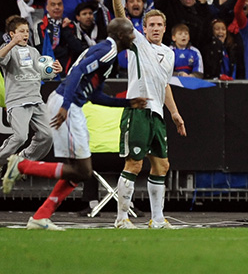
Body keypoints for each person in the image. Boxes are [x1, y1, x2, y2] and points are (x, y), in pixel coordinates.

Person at [2, 18, 145, 231]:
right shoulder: (108, 51)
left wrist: (126, 103)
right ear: (122, 36)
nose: (135, 37)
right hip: (67, 105)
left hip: (68, 104)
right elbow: (77, 73)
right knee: (82, 170)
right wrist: (67, 106)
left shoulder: (107, 52)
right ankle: (21, 165)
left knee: (78, 171)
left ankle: (41, 216)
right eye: (132, 33)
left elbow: (94, 95)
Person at [105, 0, 187, 229]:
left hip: (157, 114)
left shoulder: (169, 53)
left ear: (165, 28)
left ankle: (158, 219)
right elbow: (121, 20)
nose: (154, 28)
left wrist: (174, 113)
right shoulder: (137, 43)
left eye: (158, 25)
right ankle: (121, 219)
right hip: (138, 111)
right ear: (143, 28)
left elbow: (164, 84)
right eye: (150, 24)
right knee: (134, 163)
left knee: (162, 165)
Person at [0, 16, 62, 165]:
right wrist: (12, 43)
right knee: (20, 136)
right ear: (12, 34)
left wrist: (55, 71)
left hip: (36, 100)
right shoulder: (8, 49)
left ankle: (21, 160)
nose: (26, 34)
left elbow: (43, 74)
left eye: (27, 31)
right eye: (21, 31)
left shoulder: (33, 51)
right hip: (17, 102)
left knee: (48, 135)